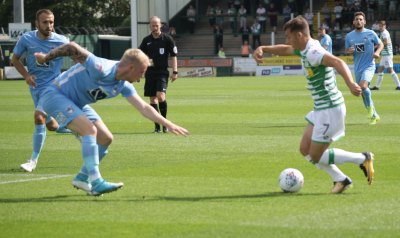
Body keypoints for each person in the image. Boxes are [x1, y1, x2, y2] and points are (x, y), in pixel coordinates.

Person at [34, 42, 189, 196]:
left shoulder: (123, 85)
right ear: (131, 68)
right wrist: (45, 58)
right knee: (90, 130)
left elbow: (143, 107)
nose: (142, 77)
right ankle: (96, 181)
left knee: (105, 138)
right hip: (54, 96)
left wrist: (168, 124)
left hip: (76, 103)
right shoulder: (101, 67)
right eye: (142, 72)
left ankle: (82, 178)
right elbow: (72, 47)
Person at [253, 16, 374, 194]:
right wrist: (263, 48)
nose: (287, 40)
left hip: (330, 109)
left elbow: (337, 62)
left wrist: (350, 84)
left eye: (289, 36)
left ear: (300, 35)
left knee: (315, 155)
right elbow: (286, 49)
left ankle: (362, 158)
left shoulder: (313, 52)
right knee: (304, 149)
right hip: (320, 108)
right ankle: (341, 179)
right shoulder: (303, 48)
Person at [11, 9, 72, 173]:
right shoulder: (27, 39)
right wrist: (26, 75)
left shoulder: (62, 40)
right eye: (45, 22)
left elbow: (78, 57)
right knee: (52, 125)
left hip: (53, 86)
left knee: (38, 117)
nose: (49, 25)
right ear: (37, 23)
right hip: (36, 87)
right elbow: (14, 59)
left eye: (51, 22)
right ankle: (74, 127)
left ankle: (32, 160)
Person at [139, 16, 179, 133]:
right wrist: (138, 72)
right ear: (150, 26)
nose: (155, 27)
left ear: (160, 25)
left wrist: (175, 71)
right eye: (153, 25)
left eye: (157, 25)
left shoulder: (167, 39)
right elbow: (140, 57)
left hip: (162, 72)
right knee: (152, 99)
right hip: (150, 72)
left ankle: (164, 123)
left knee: (161, 96)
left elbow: (174, 56)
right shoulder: (146, 40)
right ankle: (157, 126)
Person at [345, 12, 384, 125]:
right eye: (357, 19)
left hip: (369, 66)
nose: (359, 21)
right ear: (353, 22)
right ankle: (373, 114)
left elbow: (381, 44)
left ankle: (371, 112)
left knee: (363, 86)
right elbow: (347, 50)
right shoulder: (349, 36)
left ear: (364, 21)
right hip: (358, 68)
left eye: (361, 19)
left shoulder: (371, 33)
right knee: (361, 91)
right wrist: (349, 51)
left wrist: (377, 52)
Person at [371, 21, 400, 91]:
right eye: (380, 26)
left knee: (390, 70)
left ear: (385, 26)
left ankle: (399, 85)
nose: (380, 27)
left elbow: (386, 42)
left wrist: (377, 46)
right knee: (380, 70)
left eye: (381, 26)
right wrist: (377, 46)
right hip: (384, 54)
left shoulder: (384, 33)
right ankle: (376, 86)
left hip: (387, 54)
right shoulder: (383, 32)